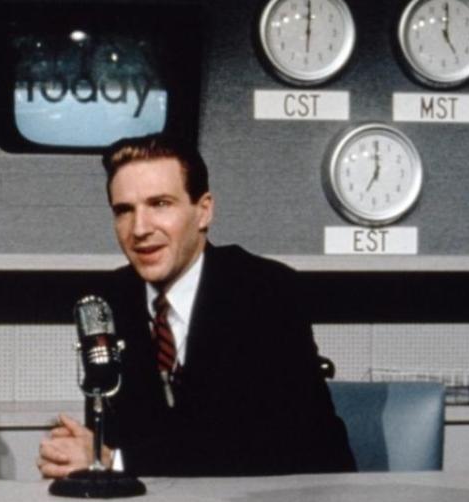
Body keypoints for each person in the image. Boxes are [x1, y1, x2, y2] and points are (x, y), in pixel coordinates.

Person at [38, 132, 354, 478]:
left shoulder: (266, 292)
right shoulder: (109, 301)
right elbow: (118, 438)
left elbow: (283, 446)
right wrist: (79, 456)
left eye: (160, 204)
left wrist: (112, 461)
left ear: (203, 211)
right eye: (124, 210)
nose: (139, 228)